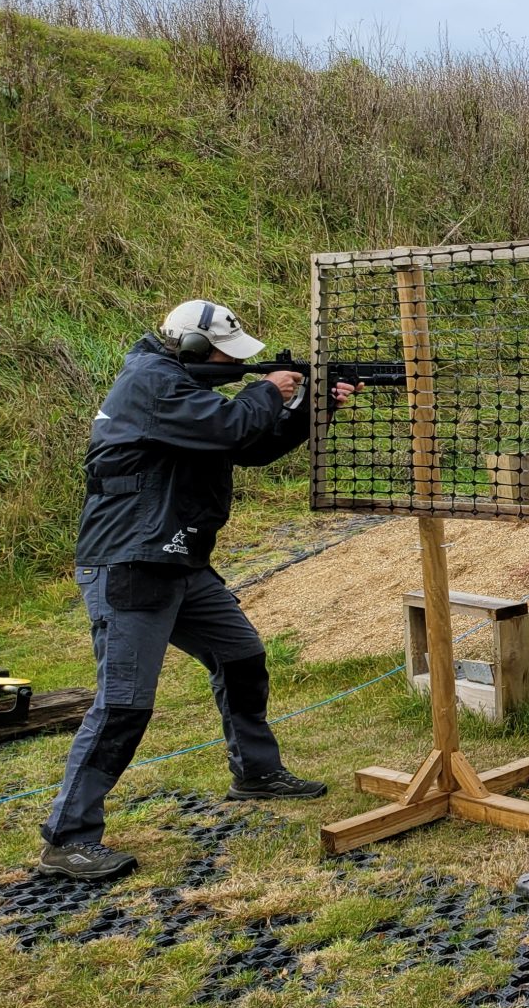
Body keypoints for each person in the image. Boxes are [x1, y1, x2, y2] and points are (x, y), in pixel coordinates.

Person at [38, 300, 358, 880]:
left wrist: (312, 407)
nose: (234, 364)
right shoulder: (153, 382)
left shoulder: (177, 386)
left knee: (241, 657)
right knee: (123, 704)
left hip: (177, 558)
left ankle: (256, 773)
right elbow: (234, 425)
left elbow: (250, 447)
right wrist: (269, 390)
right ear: (191, 348)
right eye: (225, 355)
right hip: (132, 564)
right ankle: (68, 837)